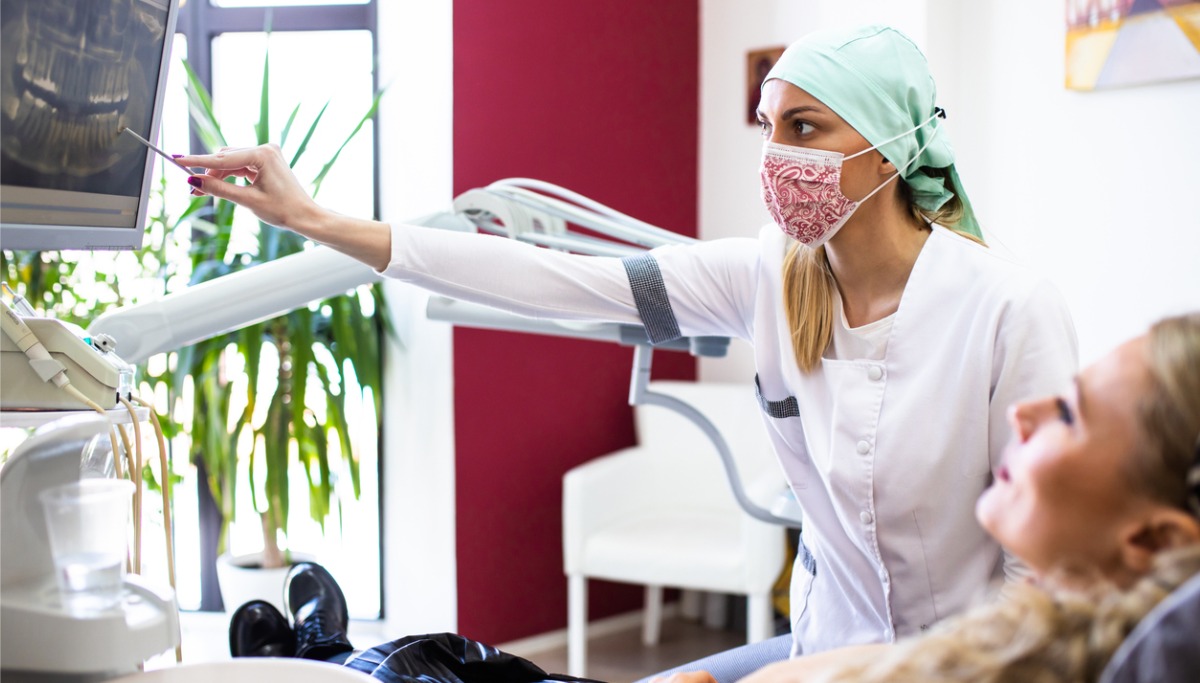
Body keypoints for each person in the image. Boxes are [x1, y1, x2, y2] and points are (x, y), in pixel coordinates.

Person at [177, 23, 1079, 678]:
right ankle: (346, 661)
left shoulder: (1007, 310)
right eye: (769, 126)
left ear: (888, 151)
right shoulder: (768, 276)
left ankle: (339, 659)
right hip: (824, 645)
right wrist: (316, 220)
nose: (775, 155)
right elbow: (556, 277)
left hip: (963, 668)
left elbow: (1042, 586)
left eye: (804, 129)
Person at [233, 312, 1200, 683]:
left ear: (1154, 535)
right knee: (472, 665)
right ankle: (326, 653)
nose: (1023, 412)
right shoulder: (1035, 630)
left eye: (1069, 415)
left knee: (438, 671)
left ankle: (326, 659)